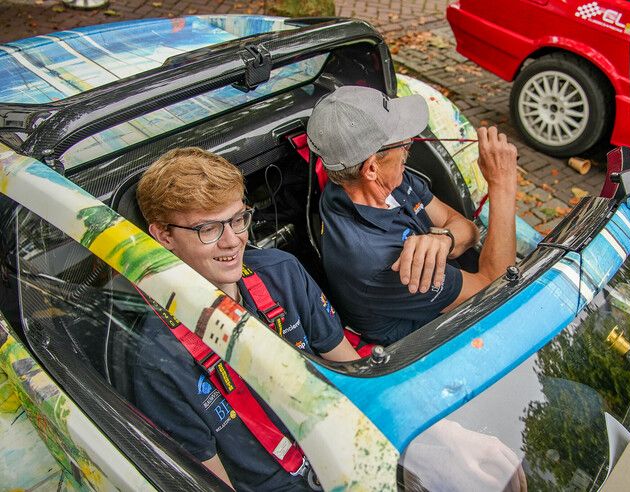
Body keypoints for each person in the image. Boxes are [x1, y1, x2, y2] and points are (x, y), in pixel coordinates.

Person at [133, 147, 359, 491]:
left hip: (344, 449)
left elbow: (351, 372)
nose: (234, 240)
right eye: (208, 228)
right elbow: (212, 482)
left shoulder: (282, 273)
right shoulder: (159, 360)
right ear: (164, 236)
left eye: (238, 219)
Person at [308, 86, 517, 345]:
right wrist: (502, 185)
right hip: (436, 343)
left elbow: (467, 228)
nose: (409, 144)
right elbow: (499, 289)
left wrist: (444, 239)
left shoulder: (373, 182)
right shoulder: (383, 263)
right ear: (371, 168)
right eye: (401, 142)